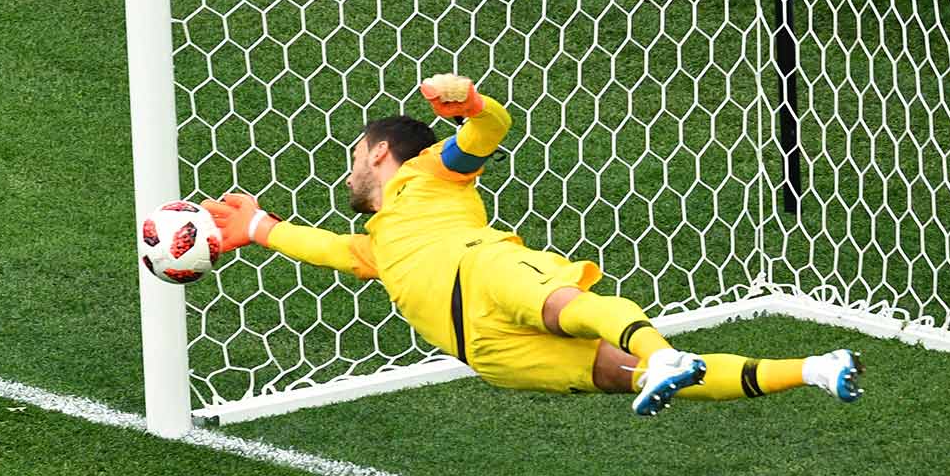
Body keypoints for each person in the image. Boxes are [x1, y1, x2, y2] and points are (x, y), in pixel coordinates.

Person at [203, 74, 864, 415]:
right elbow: (329, 249)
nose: (348, 170)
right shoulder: (379, 242)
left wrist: (471, 103)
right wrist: (258, 229)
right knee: (615, 373)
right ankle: (812, 367)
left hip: (483, 269)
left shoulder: (431, 173)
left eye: (354, 156)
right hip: (487, 351)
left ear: (379, 153)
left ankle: (660, 352)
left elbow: (491, 130)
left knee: (566, 304)